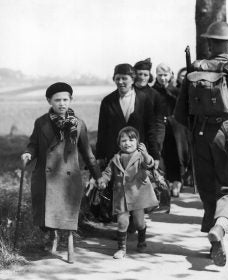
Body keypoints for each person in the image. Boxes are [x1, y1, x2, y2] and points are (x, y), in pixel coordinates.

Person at [174, 21, 228, 266]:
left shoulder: (195, 67)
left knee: (209, 189)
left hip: (200, 134)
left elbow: (180, 113)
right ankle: (221, 226)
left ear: (210, 42)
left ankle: (214, 242)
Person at [21, 82, 101, 252]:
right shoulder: (41, 122)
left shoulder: (78, 124)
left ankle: (70, 239)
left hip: (69, 177)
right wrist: (28, 153)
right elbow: (33, 144)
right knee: (44, 211)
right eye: (57, 100)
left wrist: (98, 176)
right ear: (49, 101)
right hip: (45, 175)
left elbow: (87, 153)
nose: (62, 103)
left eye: (65, 99)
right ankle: (52, 235)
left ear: (71, 100)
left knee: (68, 211)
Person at [95, 63, 158, 222]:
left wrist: (154, 154)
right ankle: (121, 223)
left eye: (125, 78)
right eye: (117, 78)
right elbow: (102, 130)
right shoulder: (108, 101)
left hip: (136, 155)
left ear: (132, 79)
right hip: (114, 153)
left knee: (135, 188)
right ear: (113, 79)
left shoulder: (144, 99)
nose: (121, 82)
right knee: (117, 189)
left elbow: (151, 128)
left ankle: (135, 223)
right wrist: (100, 155)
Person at [98, 126, 158, 259]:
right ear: (119, 143)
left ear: (137, 142)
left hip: (138, 195)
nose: (128, 143)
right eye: (124, 140)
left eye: (131, 140)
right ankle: (121, 248)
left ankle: (141, 240)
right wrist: (103, 180)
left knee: (139, 222)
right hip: (121, 196)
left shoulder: (140, 156)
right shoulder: (115, 159)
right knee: (122, 222)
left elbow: (149, 164)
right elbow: (108, 173)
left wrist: (146, 154)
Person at [153, 63, 190, 197]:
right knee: (162, 153)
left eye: (165, 75)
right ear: (156, 75)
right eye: (160, 75)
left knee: (178, 153)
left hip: (176, 127)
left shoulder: (176, 91)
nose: (163, 78)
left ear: (170, 75)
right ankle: (164, 183)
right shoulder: (153, 91)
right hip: (159, 127)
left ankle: (177, 181)